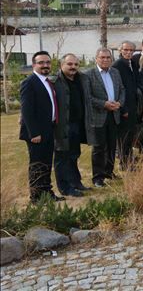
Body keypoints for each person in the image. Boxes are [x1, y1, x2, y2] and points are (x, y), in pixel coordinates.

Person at [20, 51, 63, 202]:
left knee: (46, 162)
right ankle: (36, 196)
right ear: (34, 65)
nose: (45, 65)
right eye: (41, 63)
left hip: (48, 129)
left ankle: (47, 193)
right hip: (36, 133)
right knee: (37, 164)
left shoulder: (47, 81)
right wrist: (34, 133)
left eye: (47, 62)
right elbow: (27, 110)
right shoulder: (29, 82)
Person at [84, 48, 124, 188]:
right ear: (96, 59)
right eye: (102, 57)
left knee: (112, 146)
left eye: (108, 57)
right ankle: (98, 177)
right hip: (98, 116)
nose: (106, 59)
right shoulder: (89, 74)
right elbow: (88, 97)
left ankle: (109, 172)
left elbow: (122, 90)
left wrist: (120, 102)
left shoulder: (115, 72)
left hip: (114, 115)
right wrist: (104, 104)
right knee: (99, 148)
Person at [53, 53, 89, 197]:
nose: (73, 67)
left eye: (75, 64)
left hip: (77, 124)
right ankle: (65, 187)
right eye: (69, 64)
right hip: (62, 125)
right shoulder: (55, 82)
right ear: (62, 65)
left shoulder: (81, 79)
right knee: (62, 157)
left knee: (74, 154)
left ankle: (76, 182)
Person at [113, 41, 140, 171]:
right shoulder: (117, 66)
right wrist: (123, 109)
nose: (128, 52)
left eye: (131, 50)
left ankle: (129, 159)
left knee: (130, 136)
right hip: (124, 107)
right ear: (121, 50)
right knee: (123, 138)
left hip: (134, 106)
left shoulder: (133, 64)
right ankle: (124, 163)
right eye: (126, 50)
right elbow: (117, 89)